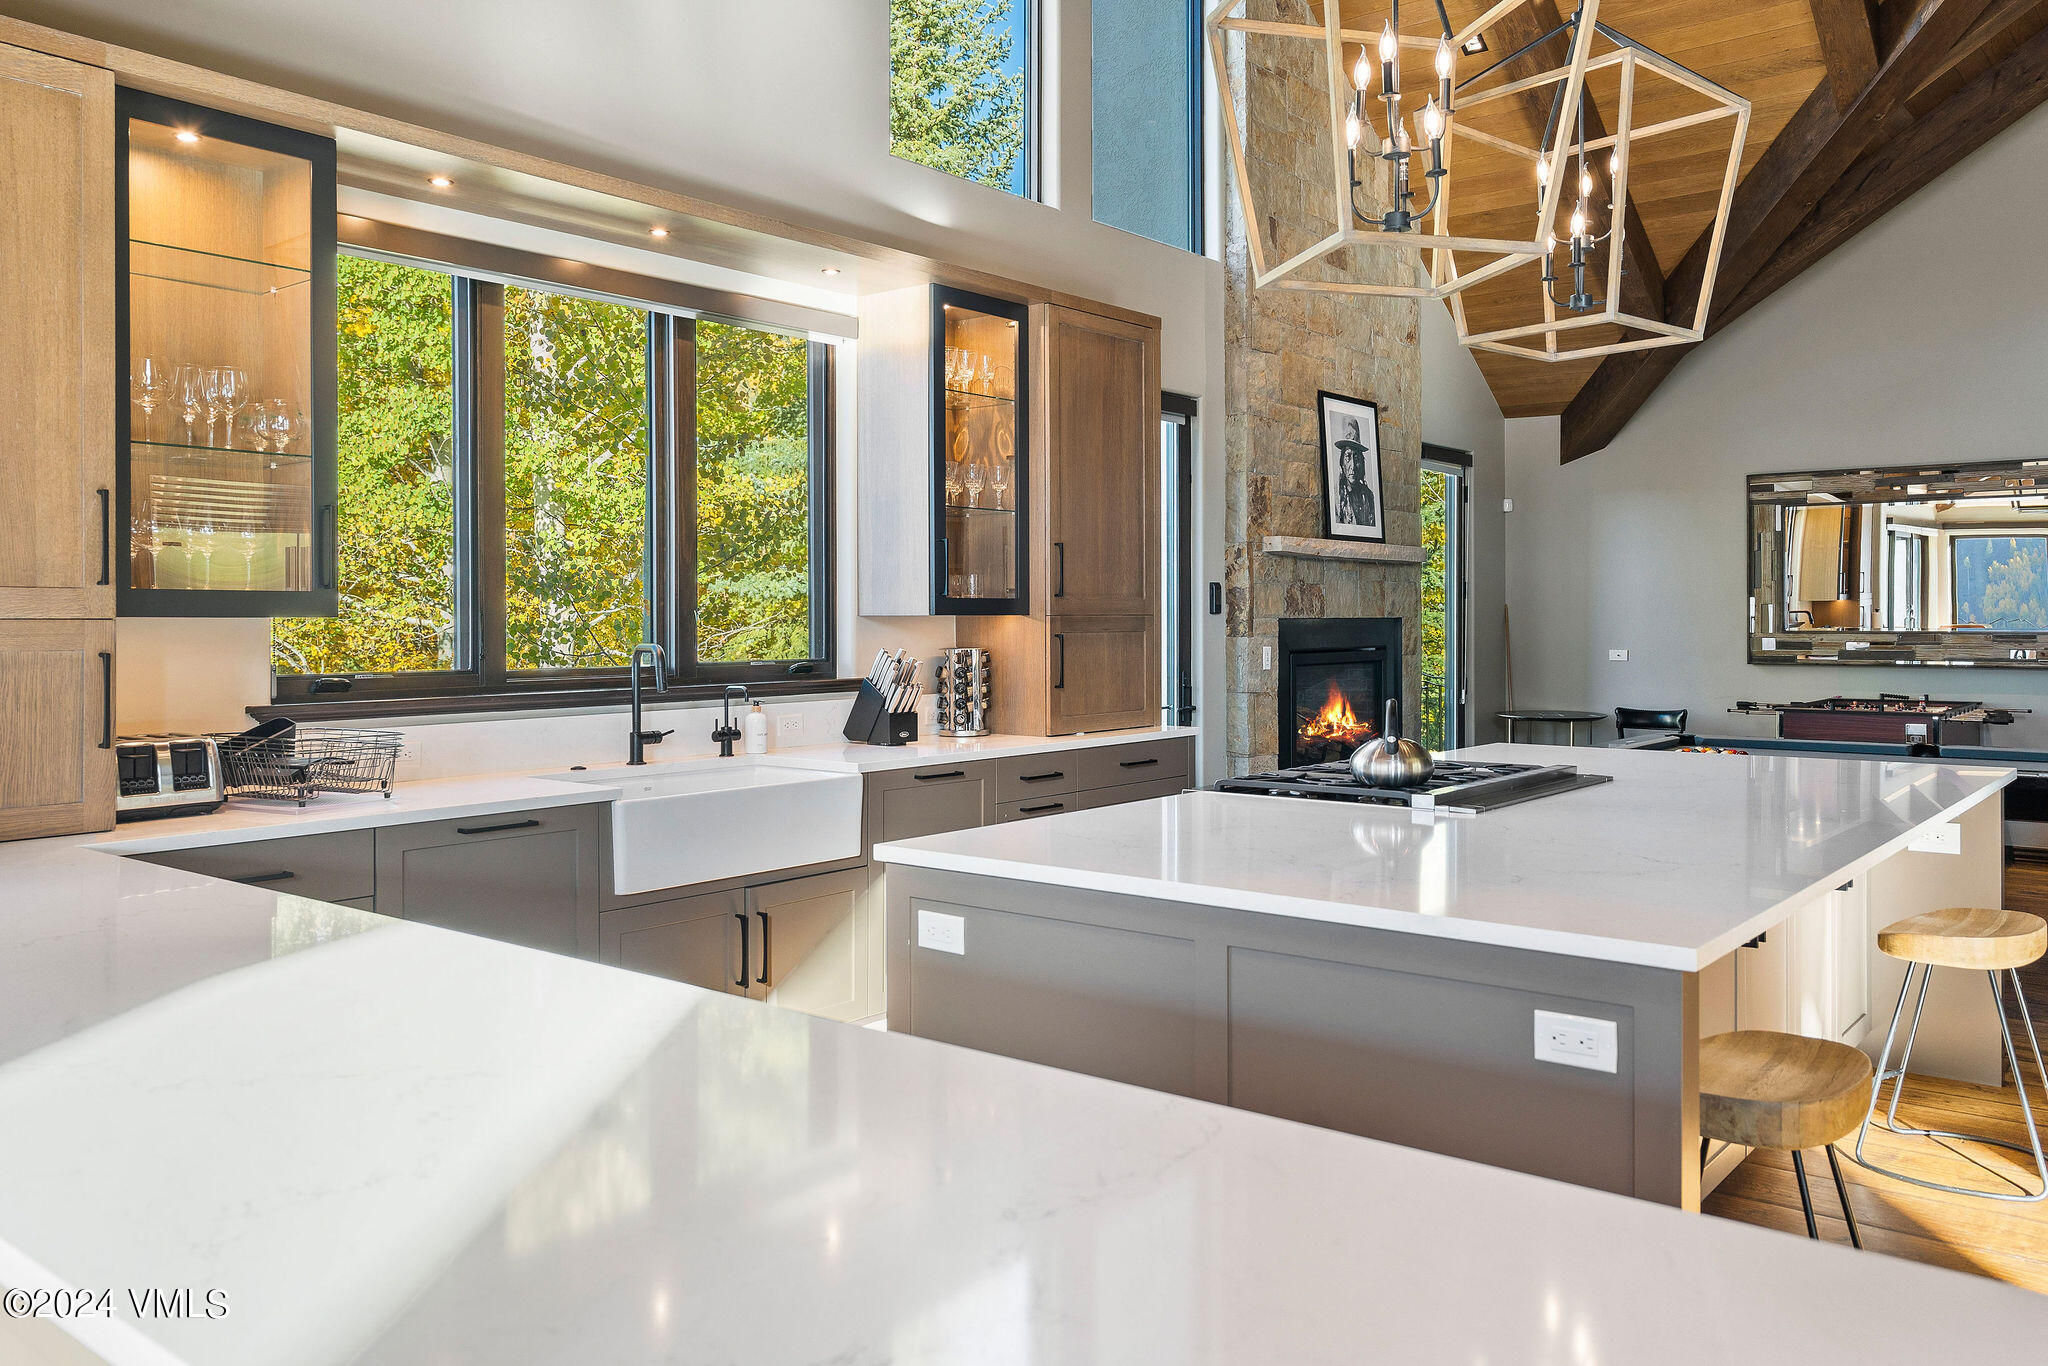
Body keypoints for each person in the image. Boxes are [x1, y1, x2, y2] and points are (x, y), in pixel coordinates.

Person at [1332, 415, 1377, 529]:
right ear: (1342, 463)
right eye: (1348, 457)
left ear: (1361, 462)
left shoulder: (1368, 496)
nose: (1352, 466)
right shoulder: (1335, 497)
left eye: (1356, 458)